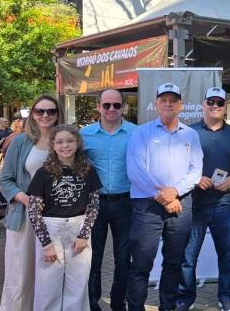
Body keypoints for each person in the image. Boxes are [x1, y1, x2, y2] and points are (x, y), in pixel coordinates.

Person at [125, 83, 204, 311]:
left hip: (181, 205)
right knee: (141, 264)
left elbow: (196, 170)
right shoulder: (141, 133)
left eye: (173, 100)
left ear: (181, 105)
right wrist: (165, 196)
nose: (168, 104)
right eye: (163, 100)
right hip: (147, 207)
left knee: (174, 263)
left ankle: (167, 307)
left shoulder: (191, 135)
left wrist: (175, 192)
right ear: (156, 104)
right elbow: (135, 170)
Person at [177, 87, 230, 311]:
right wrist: (195, 179)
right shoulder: (187, 132)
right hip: (193, 204)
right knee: (188, 256)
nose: (215, 106)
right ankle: (185, 297)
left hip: (225, 204)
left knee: (227, 255)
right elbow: (177, 166)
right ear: (203, 104)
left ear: (225, 107)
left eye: (220, 103)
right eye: (211, 102)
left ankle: (226, 296)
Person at [0, 94, 64, 311]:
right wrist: (26, 198)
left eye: (51, 111)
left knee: (50, 275)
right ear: (33, 114)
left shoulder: (65, 140)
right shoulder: (19, 141)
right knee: (20, 274)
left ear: (58, 114)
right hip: (24, 218)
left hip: (56, 218)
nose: (45, 115)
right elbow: (5, 180)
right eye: (40, 111)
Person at [27, 124, 102, 310]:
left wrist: (84, 235)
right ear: (52, 145)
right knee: (47, 288)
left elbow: (94, 205)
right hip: (51, 229)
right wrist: (46, 245)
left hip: (78, 228)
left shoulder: (88, 170)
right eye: (59, 141)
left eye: (70, 141)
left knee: (77, 287)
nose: (65, 145)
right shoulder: (43, 173)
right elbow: (34, 210)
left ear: (78, 143)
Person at [81, 88, 138, 311]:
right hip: (94, 204)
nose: (111, 109)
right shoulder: (84, 134)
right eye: (107, 105)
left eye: (116, 105)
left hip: (126, 203)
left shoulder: (136, 133)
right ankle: (92, 304)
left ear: (123, 107)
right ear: (98, 107)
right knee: (92, 260)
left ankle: (118, 303)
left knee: (124, 260)